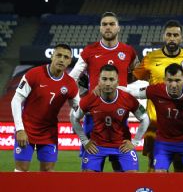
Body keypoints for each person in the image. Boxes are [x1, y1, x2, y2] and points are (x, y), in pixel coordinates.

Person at [69, 11, 139, 171]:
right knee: (91, 167)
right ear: (100, 28)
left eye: (111, 24)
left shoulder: (128, 51)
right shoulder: (89, 51)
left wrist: (124, 88)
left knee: (120, 164)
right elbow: (72, 78)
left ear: (118, 28)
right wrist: (79, 102)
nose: (108, 27)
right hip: (93, 115)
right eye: (104, 24)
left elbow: (137, 74)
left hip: (119, 115)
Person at [132, 20, 183, 172]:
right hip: (155, 123)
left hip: (181, 125)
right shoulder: (151, 58)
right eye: (169, 35)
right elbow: (133, 76)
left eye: (176, 35)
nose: (172, 38)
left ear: (181, 38)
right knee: (154, 169)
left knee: (180, 169)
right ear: (164, 36)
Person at [123, 63, 183, 172]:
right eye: (170, 80)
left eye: (177, 80)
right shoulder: (156, 90)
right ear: (164, 80)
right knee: (159, 173)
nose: (173, 85)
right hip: (163, 143)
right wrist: (106, 89)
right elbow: (131, 92)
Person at [11, 44, 79, 172]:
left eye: (66, 57)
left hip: (49, 133)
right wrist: (20, 129)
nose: (61, 59)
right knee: (21, 169)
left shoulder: (70, 84)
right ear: (52, 56)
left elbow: (79, 108)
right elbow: (16, 100)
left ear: (70, 61)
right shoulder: (34, 74)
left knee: (47, 171)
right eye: (58, 55)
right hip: (27, 129)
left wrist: (86, 94)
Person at [70, 64, 149, 172]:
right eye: (104, 79)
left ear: (117, 81)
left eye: (111, 79)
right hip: (97, 146)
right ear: (99, 81)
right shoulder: (90, 99)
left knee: (132, 178)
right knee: (87, 180)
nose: (107, 83)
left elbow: (144, 118)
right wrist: (85, 141)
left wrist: (134, 142)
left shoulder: (127, 98)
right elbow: (74, 117)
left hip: (122, 146)